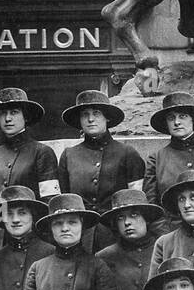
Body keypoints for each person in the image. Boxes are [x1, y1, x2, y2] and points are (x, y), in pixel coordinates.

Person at [57, 89, 145, 252]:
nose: (90, 119)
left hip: (117, 236)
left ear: (107, 117)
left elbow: (137, 202)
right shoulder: (69, 155)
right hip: (80, 237)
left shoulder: (127, 153)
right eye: (85, 114)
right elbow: (64, 199)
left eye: (96, 113)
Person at [143, 91, 194, 233]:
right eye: (171, 118)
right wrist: (166, 235)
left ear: (193, 120)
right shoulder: (156, 159)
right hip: (170, 234)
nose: (176, 122)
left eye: (182, 116)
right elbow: (152, 206)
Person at [0, 87, 60, 204]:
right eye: (3, 113)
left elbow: (50, 200)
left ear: (25, 116)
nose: (7, 118)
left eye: (14, 112)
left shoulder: (41, 152)